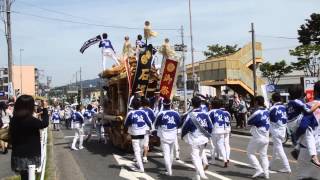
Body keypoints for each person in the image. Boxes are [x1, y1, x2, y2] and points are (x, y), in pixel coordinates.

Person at [9, 95, 49, 180]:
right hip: (31, 155)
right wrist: (45, 108)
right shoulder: (30, 120)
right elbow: (44, 124)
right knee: (30, 176)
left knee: (24, 176)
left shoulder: (14, 119)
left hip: (18, 154)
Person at [287, 85, 320, 166]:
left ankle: (297, 148)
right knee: (308, 130)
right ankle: (313, 156)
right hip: (296, 122)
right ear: (301, 93)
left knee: (304, 133)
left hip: (291, 123)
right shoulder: (298, 102)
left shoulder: (290, 102)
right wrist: (318, 104)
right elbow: (309, 111)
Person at [181, 96, 213, 180]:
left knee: (195, 157)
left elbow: (185, 127)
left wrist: (182, 136)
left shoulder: (190, 115)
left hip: (194, 139)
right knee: (199, 156)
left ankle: (202, 174)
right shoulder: (205, 114)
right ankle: (197, 177)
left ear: (192, 104)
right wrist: (208, 135)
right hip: (204, 139)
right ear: (200, 103)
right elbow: (210, 127)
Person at [124, 97, 152, 173]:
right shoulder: (143, 112)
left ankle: (141, 168)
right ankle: (140, 162)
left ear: (132, 105)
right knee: (141, 148)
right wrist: (150, 129)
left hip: (135, 133)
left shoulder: (130, 113)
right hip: (143, 132)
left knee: (137, 150)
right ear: (140, 105)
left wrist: (130, 127)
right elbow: (149, 122)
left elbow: (126, 123)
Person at [154, 99, 181, 176]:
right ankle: (170, 169)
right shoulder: (176, 113)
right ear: (170, 104)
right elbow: (179, 124)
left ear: (163, 104)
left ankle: (169, 171)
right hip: (173, 135)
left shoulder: (160, 113)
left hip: (164, 135)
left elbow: (155, 124)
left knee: (166, 153)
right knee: (171, 152)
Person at [247, 96, 270, 179]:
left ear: (256, 102)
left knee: (250, 153)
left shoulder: (257, 112)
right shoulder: (267, 111)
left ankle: (258, 169)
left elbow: (248, 122)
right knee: (264, 155)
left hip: (258, 136)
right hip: (266, 136)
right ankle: (266, 173)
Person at [269, 92, 291, 173]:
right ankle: (269, 165)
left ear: (273, 99)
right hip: (283, 130)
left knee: (279, 149)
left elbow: (268, 119)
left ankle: (287, 167)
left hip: (276, 130)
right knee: (276, 149)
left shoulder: (272, 108)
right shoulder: (284, 107)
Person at [208, 99, 231, 167]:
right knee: (221, 145)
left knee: (213, 145)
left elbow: (208, 121)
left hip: (214, 130)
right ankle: (225, 159)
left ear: (213, 105)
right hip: (222, 130)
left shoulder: (211, 112)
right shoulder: (223, 112)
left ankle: (213, 160)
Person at [140, 97, 155, 163]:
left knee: (140, 143)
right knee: (146, 143)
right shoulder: (150, 110)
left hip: (140, 129)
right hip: (147, 129)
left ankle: (138, 157)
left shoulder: (139, 110)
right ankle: (145, 157)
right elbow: (154, 119)